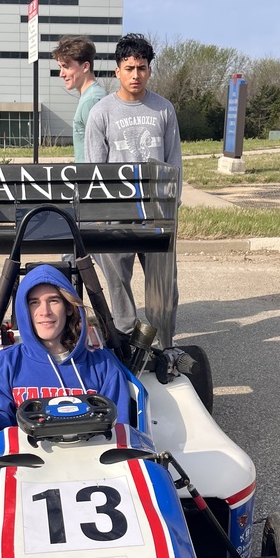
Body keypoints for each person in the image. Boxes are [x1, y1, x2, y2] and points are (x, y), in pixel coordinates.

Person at [84, 33, 182, 337]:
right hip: (117, 212)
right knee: (117, 283)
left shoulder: (163, 109)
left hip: (155, 212)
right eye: (129, 68)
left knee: (164, 286)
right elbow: (94, 169)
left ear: (149, 70)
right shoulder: (102, 112)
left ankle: (165, 344)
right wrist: (98, 211)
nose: (135, 74)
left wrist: (172, 205)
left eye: (141, 67)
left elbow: (174, 161)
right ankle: (126, 338)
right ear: (117, 71)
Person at [0, 265, 130, 438]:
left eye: (53, 301)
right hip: (27, 461)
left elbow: (119, 432)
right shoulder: (4, 365)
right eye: (34, 302)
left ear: (69, 308)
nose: (45, 312)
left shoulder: (102, 364)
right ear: (25, 311)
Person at [52, 36, 106, 162]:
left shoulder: (91, 101)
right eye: (60, 67)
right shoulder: (90, 97)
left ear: (85, 66)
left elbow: (99, 153)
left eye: (66, 66)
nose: (61, 74)